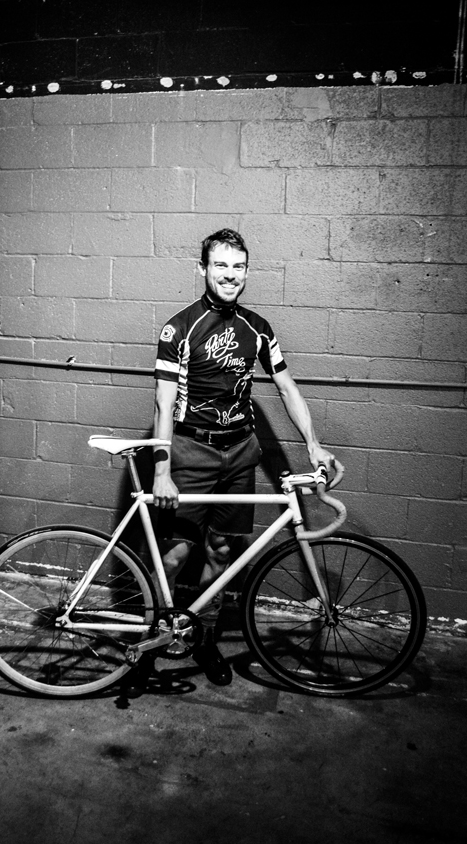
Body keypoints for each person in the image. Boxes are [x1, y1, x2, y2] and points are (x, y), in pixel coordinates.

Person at [126, 228, 334, 696]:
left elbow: (287, 387)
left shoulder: (258, 328)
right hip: (190, 452)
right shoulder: (179, 328)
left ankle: (204, 640)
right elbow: (163, 403)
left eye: (238, 267)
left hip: (240, 452)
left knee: (222, 550)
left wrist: (313, 444)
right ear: (202, 269)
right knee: (175, 553)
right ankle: (148, 647)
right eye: (220, 265)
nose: (230, 275)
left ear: (247, 272)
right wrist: (162, 470)